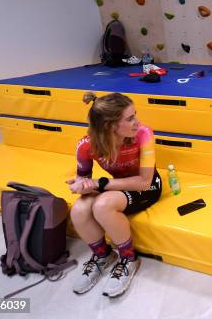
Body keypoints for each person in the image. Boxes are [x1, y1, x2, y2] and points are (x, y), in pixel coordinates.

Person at [68, 92, 162, 297]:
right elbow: (84, 181)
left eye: (135, 115)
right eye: (130, 119)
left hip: (147, 187)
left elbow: (144, 182)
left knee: (103, 205)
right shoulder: (86, 146)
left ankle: (128, 259)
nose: (137, 122)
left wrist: (99, 183)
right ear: (110, 126)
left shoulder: (144, 134)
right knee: (80, 209)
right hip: (118, 187)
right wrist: (81, 185)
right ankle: (102, 256)